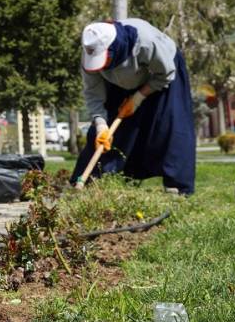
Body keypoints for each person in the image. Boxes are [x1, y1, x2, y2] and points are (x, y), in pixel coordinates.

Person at [73, 18, 196, 194]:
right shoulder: (90, 53)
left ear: (113, 49)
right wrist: (101, 124)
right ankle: (93, 184)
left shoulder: (146, 43)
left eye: (103, 59)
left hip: (162, 75)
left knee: (170, 125)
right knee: (106, 134)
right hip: (120, 82)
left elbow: (165, 74)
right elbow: (93, 92)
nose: (101, 65)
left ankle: (177, 187)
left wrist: (138, 98)